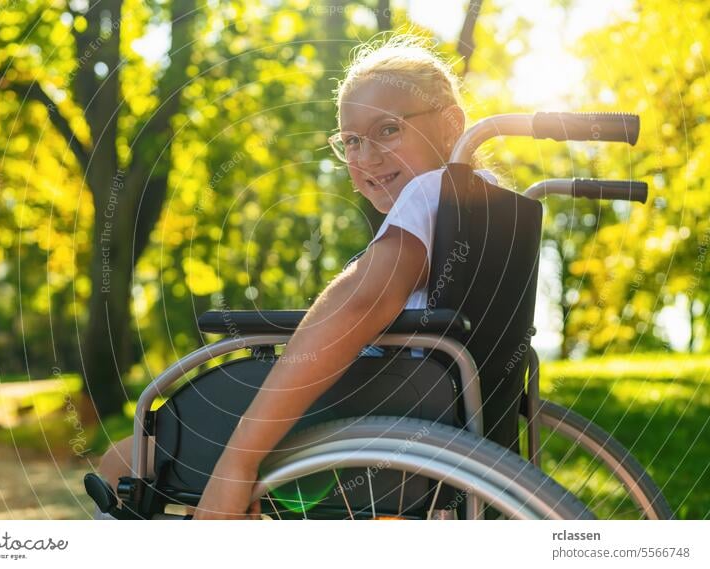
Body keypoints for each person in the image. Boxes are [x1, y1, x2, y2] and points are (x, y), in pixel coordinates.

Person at [95, 32, 504, 520]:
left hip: (379, 422)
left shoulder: (432, 191)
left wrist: (237, 463)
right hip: (434, 417)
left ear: (450, 124)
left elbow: (358, 304)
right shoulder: (490, 197)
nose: (366, 157)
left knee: (121, 462)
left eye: (388, 130)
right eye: (351, 141)